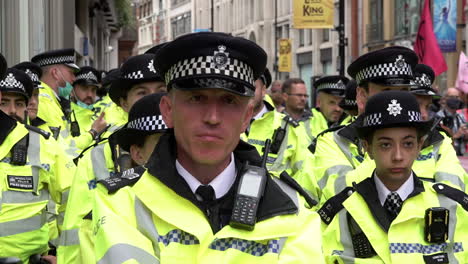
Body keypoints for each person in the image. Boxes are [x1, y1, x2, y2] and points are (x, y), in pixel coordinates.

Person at [93, 32, 324, 263]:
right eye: (196, 98)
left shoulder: (292, 209)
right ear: (168, 110)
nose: (213, 118)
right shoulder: (120, 201)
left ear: (246, 117)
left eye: (229, 101)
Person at [321, 90, 468, 262]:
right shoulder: (341, 213)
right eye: (385, 145)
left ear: (419, 146)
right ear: (368, 148)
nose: (398, 156)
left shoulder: (453, 207)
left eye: (407, 144)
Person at [57, 52, 167, 263]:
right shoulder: (95, 158)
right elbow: (75, 229)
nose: (154, 100)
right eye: (142, 93)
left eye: (162, 92)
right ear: (123, 104)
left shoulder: (196, 154)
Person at [302, 46, 419, 204]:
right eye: (386, 92)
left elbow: (452, 197)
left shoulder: (435, 140)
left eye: (404, 91)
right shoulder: (333, 142)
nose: (396, 101)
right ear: (362, 96)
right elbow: (340, 194)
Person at [0, 64, 75, 264]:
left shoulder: (44, 145)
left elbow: (74, 201)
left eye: (19, 103)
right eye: (4, 102)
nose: (12, 111)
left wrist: (62, 254)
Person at [245, 68, 312, 182]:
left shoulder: (290, 128)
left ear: (263, 91)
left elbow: (306, 175)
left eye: (252, 86)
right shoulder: (221, 122)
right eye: (240, 86)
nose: (246, 91)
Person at [31, 48, 79, 140]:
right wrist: (92, 133)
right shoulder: (44, 102)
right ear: (55, 73)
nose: (74, 79)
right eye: (71, 73)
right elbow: (64, 146)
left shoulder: (51, 100)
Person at [69, 66, 108, 150]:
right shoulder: (65, 115)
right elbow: (67, 148)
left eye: (93, 90)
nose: (89, 95)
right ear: (72, 90)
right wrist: (93, 132)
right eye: (84, 88)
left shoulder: (98, 119)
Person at [300, 75, 347, 143]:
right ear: (319, 102)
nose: (338, 109)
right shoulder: (304, 124)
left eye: (341, 103)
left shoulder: (350, 123)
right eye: (332, 102)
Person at [437, 87, 468, 156]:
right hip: (445, 157)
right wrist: (456, 135)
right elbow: (437, 141)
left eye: (457, 97)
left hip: (461, 156)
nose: (455, 99)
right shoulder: (439, 117)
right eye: (452, 97)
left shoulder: (461, 116)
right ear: (445, 98)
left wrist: (466, 135)